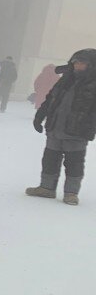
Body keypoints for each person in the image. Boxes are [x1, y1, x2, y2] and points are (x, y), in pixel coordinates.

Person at [26, 49, 96, 206]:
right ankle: (47, 188)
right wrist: (40, 116)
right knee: (50, 159)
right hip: (55, 128)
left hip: (77, 131)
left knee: (74, 163)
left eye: (82, 63)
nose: (78, 66)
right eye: (75, 63)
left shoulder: (93, 84)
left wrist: (90, 127)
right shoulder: (65, 80)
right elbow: (51, 98)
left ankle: (71, 193)